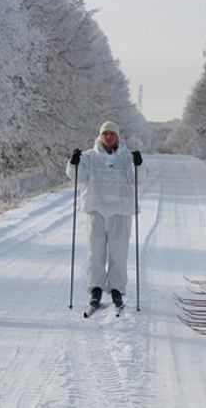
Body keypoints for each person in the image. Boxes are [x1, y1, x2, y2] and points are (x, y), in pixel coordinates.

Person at [67, 121, 147, 309]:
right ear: (100, 136)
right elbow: (77, 176)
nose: (108, 137)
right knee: (95, 251)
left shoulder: (127, 157)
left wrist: (139, 164)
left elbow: (138, 179)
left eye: (111, 133)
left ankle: (117, 287)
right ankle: (96, 287)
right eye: (105, 134)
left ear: (117, 136)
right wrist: (73, 163)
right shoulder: (89, 156)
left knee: (118, 251)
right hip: (96, 209)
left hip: (120, 211)